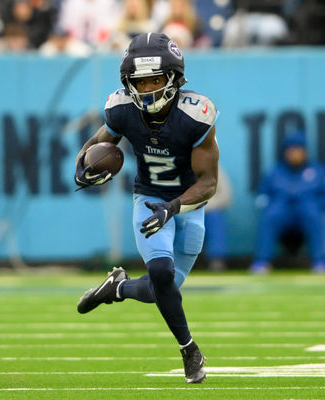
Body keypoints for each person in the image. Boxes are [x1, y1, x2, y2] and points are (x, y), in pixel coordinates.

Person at [74, 32, 219, 384]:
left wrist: (173, 208)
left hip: (188, 203)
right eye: (139, 82)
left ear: (173, 78)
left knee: (161, 292)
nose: (148, 89)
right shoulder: (122, 109)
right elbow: (97, 144)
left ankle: (117, 288)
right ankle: (189, 350)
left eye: (155, 79)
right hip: (148, 198)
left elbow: (208, 184)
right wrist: (82, 168)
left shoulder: (195, 115)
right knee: (162, 275)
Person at [250, 130, 325, 274]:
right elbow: (262, 194)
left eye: (299, 150)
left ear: (305, 151)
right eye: (292, 150)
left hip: (306, 210)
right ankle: (262, 262)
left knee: (313, 214)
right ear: (285, 152)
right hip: (282, 211)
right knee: (271, 216)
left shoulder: (317, 170)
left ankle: (319, 262)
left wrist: (317, 206)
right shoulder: (275, 171)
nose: (295, 154)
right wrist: (269, 205)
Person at [203, 165, 231, 271]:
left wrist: (202, 207)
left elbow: (226, 196)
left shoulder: (214, 167)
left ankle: (217, 260)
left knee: (216, 217)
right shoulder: (175, 165)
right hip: (181, 211)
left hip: (208, 211)